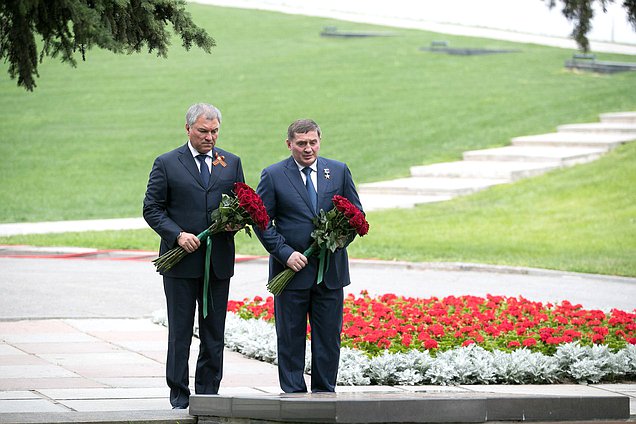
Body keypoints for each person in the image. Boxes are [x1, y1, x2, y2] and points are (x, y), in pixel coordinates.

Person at [143, 103, 245, 409]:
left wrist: (236, 222)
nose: (210, 137)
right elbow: (152, 208)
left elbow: (242, 204)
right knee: (181, 332)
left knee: (214, 332)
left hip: (218, 264)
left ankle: (208, 393)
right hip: (180, 264)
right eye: (203, 131)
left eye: (215, 131)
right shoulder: (167, 163)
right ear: (188, 128)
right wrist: (177, 234)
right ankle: (179, 394)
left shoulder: (231, 162)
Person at [255, 119, 364, 393]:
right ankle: (293, 397)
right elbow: (261, 220)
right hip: (290, 273)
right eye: (301, 143)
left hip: (330, 272)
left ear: (320, 140)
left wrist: (336, 241)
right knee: (290, 338)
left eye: (312, 142)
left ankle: (325, 395)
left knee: (328, 338)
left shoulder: (338, 171)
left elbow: (356, 217)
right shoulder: (274, 175)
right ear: (289, 144)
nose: (308, 149)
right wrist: (284, 253)